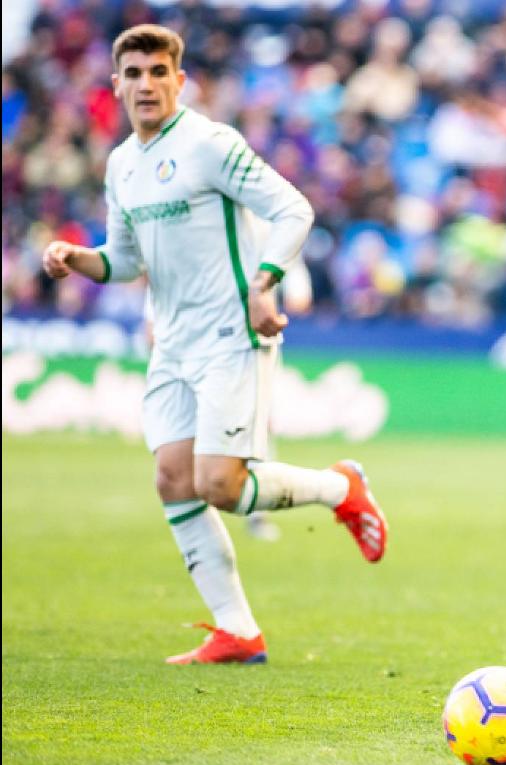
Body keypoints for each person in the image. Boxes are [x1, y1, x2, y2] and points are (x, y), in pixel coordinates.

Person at [41, 25, 388, 665]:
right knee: (173, 479)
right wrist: (76, 258)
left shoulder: (210, 144)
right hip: (171, 340)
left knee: (221, 486)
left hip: (232, 331)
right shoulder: (122, 164)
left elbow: (293, 208)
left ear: (178, 79)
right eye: (134, 74)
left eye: (157, 72)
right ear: (116, 84)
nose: (146, 84)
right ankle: (237, 632)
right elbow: (121, 262)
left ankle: (341, 490)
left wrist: (267, 282)